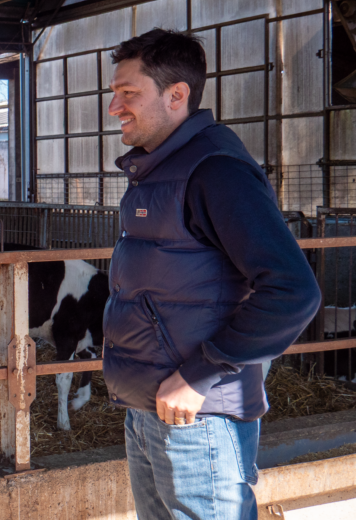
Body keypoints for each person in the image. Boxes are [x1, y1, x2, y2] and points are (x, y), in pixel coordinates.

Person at [101, 29, 321, 519]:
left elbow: (293, 291)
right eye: (114, 92)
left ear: (176, 95)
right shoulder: (159, 169)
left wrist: (198, 374)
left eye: (128, 92)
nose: (114, 107)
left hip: (198, 417)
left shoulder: (215, 171)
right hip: (151, 411)